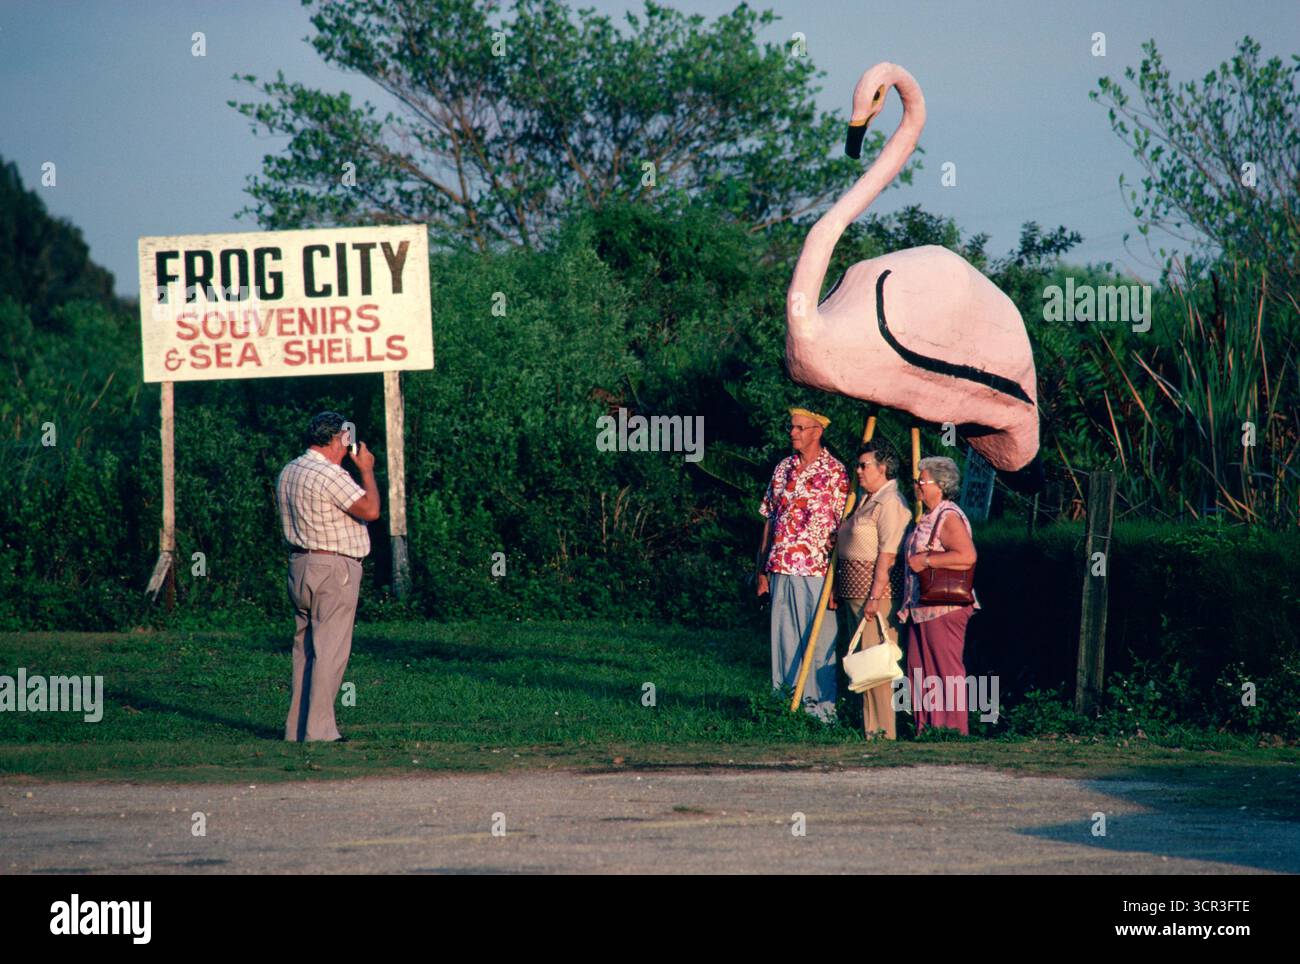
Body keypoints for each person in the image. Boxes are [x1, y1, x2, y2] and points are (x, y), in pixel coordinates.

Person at [275, 411, 380, 742]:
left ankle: (297, 728)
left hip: (300, 564)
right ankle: (320, 731)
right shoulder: (330, 475)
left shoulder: (289, 470)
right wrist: (366, 470)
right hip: (334, 568)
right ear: (335, 439)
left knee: (305, 650)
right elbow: (371, 510)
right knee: (330, 650)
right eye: (345, 438)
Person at [756, 407, 850, 720]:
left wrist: (838, 582)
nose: (792, 433)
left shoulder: (836, 473)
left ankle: (821, 712)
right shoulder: (783, 468)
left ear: (817, 431)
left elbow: (844, 529)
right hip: (780, 566)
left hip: (818, 571)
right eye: (791, 427)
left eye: (799, 428)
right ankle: (784, 706)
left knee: (820, 641)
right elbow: (769, 519)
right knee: (784, 640)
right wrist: (761, 571)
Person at [833, 439, 912, 739]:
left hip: (876, 597)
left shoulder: (891, 503)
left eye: (864, 465)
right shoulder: (865, 499)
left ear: (883, 468)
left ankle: (882, 732)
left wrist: (875, 597)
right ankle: (869, 728)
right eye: (857, 465)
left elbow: (887, 555)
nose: (858, 471)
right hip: (854, 593)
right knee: (863, 664)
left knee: (877, 664)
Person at [899, 455, 979, 735]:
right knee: (919, 668)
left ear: (940, 485)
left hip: (944, 606)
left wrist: (926, 560)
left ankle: (953, 731)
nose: (916, 485)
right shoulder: (928, 517)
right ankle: (927, 729)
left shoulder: (949, 517)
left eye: (922, 481)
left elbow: (967, 556)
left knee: (945, 669)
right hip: (920, 607)